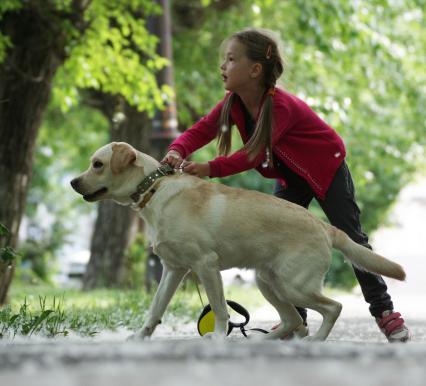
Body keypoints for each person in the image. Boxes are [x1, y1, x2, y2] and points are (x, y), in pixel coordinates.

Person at [162, 28, 410, 342]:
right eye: (224, 60)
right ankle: (297, 322)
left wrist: (209, 168)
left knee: (352, 238)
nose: (222, 66)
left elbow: (252, 154)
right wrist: (177, 149)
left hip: (326, 169)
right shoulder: (232, 104)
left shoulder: (280, 106)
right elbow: (201, 130)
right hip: (291, 177)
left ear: (254, 70)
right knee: (281, 235)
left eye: (231, 59)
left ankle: (385, 313)